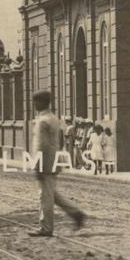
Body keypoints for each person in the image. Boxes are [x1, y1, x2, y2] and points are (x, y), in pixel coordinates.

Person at [28, 91, 85, 237]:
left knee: (45, 197)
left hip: (45, 163)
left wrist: (38, 166)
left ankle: (46, 228)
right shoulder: (54, 118)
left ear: (41, 103)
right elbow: (57, 141)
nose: (34, 104)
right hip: (53, 160)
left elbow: (41, 145)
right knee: (52, 194)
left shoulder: (42, 121)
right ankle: (76, 213)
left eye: (36, 102)